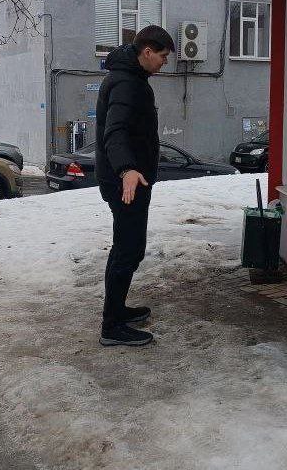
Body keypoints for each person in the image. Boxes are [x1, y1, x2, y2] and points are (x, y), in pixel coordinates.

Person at [95, 25, 175, 347]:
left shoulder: (131, 77)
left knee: (127, 248)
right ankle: (112, 326)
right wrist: (127, 168)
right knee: (128, 250)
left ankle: (117, 311)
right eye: (163, 56)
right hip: (126, 182)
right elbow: (114, 132)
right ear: (147, 52)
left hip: (129, 180)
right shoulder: (127, 83)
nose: (165, 62)